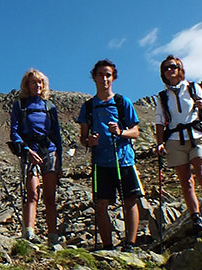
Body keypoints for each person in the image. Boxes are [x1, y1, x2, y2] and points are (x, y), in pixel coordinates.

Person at [154, 55, 202, 232]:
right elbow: (159, 120)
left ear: (180, 69)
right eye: (166, 68)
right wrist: (159, 143)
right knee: (186, 182)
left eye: (173, 67)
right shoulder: (162, 97)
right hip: (174, 140)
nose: (170, 70)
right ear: (162, 73)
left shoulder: (194, 88)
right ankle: (196, 219)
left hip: (196, 136)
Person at [76, 59, 144, 250]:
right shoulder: (88, 107)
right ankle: (107, 247)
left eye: (108, 75)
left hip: (124, 158)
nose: (105, 78)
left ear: (113, 77)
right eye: (101, 74)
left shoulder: (123, 102)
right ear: (94, 77)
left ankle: (130, 244)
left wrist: (120, 132)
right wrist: (89, 141)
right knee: (101, 204)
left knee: (130, 201)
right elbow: (82, 138)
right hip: (100, 161)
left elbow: (136, 132)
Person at [9, 69, 63, 244]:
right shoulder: (20, 105)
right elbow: (14, 132)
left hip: (49, 151)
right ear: (27, 84)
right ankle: (29, 232)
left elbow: (57, 135)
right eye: (33, 82)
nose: (37, 85)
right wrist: (26, 150)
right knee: (32, 192)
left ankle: (53, 236)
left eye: (40, 82)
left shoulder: (49, 107)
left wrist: (60, 162)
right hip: (30, 151)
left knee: (50, 195)